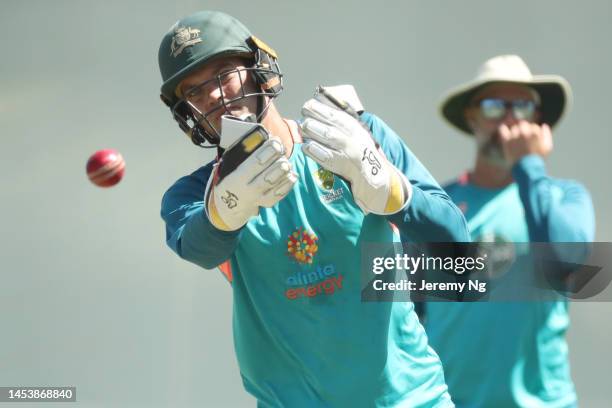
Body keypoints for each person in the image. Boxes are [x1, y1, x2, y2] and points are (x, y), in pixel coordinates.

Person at [158, 11, 469, 407]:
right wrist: (226, 205)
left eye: (223, 74)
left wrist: (390, 191)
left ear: (258, 69)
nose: (214, 96)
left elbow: (456, 245)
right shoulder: (194, 194)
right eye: (194, 91)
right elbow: (201, 248)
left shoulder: (354, 136)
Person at [423, 55, 596, 407]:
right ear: (471, 116)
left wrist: (528, 165)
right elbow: (408, 313)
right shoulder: (437, 205)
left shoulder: (566, 197)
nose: (507, 119)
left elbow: (569, 260)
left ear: (536, 119)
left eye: (522, 105)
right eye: (492, 106)